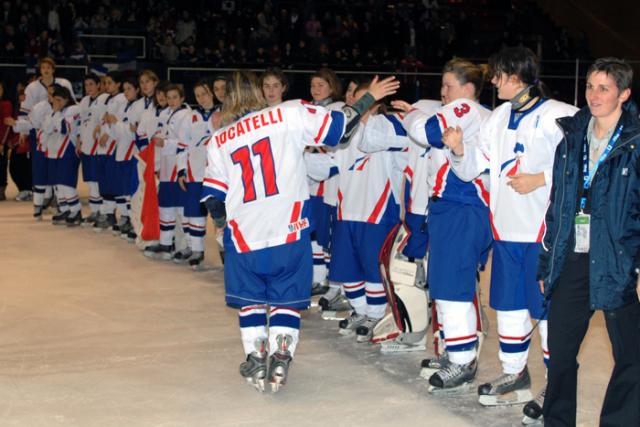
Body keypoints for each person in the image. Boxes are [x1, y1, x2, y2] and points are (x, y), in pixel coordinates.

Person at [200, 70, 399, 392]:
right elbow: (340, 127)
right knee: (285, 299)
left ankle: (256, 351)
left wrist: (223, 231)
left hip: (245, 234)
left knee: (251, 301)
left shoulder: (220, 139)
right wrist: (368, 98)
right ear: (259, 92)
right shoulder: (288, 113)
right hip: (288, 229)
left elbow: (213, 198)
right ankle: (282, 350)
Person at [441, 47, 578, 421]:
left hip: (542, 234)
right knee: (510, 306)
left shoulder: (560, 115)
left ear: (516, 76)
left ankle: (557, 384)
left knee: (545, 312)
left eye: (499, 76)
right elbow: (472, 169)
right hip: (505, 232)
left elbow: (585, 167)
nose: (494, 82)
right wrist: (457, 150)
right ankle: (515, 373)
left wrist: (541, 179)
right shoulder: (498, 117)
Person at [538, 57, 640, 426]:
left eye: (604, 89)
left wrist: (634, 260)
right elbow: (557, 205)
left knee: (632, 355)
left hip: (616, 261)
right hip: (573, 260)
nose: (593, 96)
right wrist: (546, 261)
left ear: (624, 95)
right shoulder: (571, 136)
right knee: (561, 351)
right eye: (590, 87)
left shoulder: (635, 142)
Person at [328, 81, 407, 343]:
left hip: (377, 210)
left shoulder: (388, 126)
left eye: (367, 99)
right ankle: (361, 311)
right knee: (346, 269)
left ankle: (374, 314)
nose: (357, 104)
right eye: (357, 99)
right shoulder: (344, 132)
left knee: (373, 269)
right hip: (346, 209)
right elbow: (328, 165)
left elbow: (384, 144)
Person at [143, 83, 191, 260]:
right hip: (165, 167)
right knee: (165, 206)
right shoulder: (164, 114)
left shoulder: (187, 116)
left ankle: (190, 246)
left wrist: (167, 144)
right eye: (168, 97)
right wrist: (156, 166)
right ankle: (166, 242)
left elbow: (186, 144)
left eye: (174, 97)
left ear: (182, 98)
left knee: (181, 209)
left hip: (178, 168)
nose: (171, 101)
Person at [175, 78, 216, 268]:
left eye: (204, 94)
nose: (201, 98)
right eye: (198, 95)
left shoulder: (222, 113)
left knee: (220, 215)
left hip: (217, 174)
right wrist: (181, 171)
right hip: (194, 172)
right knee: (195, 212)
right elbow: (182, 145)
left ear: (212, 93)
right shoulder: (189, 117)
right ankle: (197, 249)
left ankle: (227, 254)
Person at [104, 75, 145, 240]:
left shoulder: (139, 106)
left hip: (131, 152)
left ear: (137, 90)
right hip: (121, 151)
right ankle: (126, 217)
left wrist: (117, 124)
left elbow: (133, 130)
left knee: (131, 189)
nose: (126, 92)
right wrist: (113, 125)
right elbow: (119, 132)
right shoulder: (125, 106)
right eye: (125, 89)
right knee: (123, 188)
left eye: (130, 88)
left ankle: (133, 220)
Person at [41, 85, 82, 226]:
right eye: (54, 100)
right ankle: (65, 209)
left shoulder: (73, 109)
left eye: (59, 100)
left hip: (68, 149)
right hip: (54, 150)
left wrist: (56, 114)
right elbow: (47, 128)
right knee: (58, 183)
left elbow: (64, 129)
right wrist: (55, 113)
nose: (56, 103)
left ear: (67, 98)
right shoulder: (53, 112)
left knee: (66, 182)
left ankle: (76, 210)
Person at [93, 72, 127, 233]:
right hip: (102, 147)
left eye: (111, 82)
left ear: (118, 84)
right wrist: (98, 128)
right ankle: (107, 212)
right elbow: (104, 118)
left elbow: (117, 121)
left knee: (114, 182)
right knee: (104, 181)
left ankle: (119, 215)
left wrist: (108, 134)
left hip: (112, 145)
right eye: (105, 83)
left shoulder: (122, 99)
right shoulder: (106, 98)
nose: (107, 86)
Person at [76, 73, 108, 225]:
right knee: (89, 181)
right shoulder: (83, 101)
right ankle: (94, 211)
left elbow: (106, 118)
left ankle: (102, 212)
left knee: (97, 180)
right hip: (86, 145)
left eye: (91, 84)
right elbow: (80, 123)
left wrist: (100, 126)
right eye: (86, 84)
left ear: (99, 85)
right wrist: (78, 141)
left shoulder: (104, 99)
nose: (89, 87)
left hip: (98, 146)